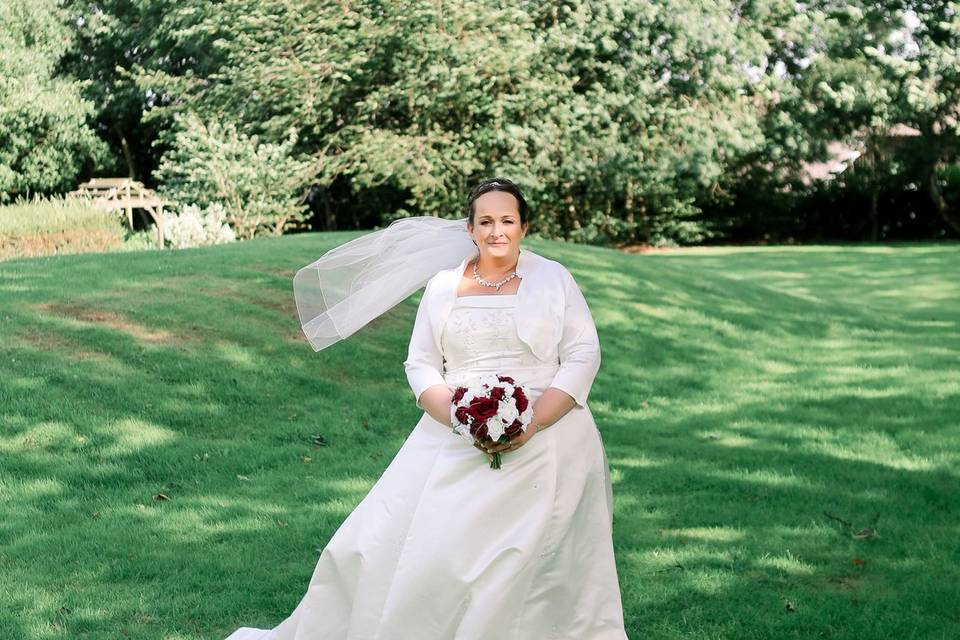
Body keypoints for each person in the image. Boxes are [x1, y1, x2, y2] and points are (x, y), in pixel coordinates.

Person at [225, 177, 628, 639]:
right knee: (394, 547)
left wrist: (534, 422)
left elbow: (583, 354)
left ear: (524, 226)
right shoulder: (443, 286)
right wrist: (461, 417)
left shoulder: (554, 278)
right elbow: (420, 363)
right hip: (456, 435)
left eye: (507, 221)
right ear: (471, 228)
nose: (497, 231)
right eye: (486, 221)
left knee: (532, 562)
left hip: (551, 442)